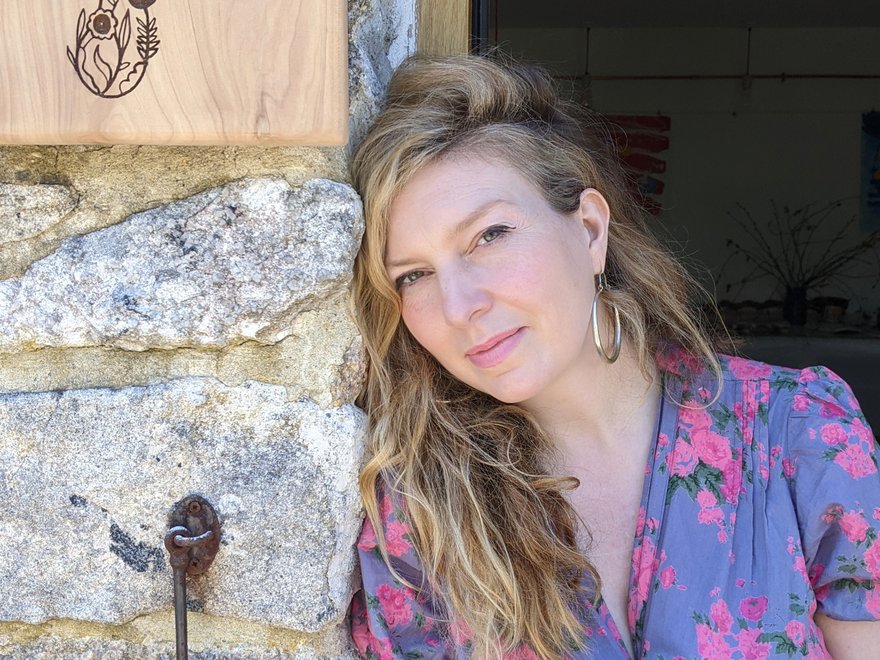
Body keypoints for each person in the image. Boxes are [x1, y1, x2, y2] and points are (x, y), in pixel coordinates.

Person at [346, 54, 880, 659]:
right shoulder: (418, 519)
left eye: (489, 236)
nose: (458, 305)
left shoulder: (801, 435)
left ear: (591, 230)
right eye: (413, 275)